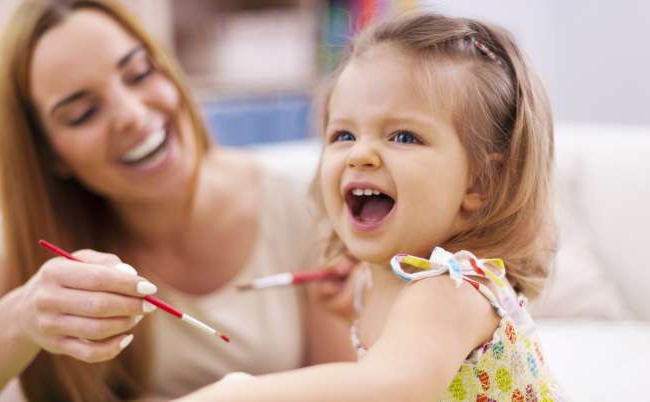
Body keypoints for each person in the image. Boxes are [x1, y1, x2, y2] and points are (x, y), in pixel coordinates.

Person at [0, 1, 356, 401]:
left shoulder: (299, 202)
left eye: (139, 74)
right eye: (83, 113)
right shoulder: (29, 231)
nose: (132, 114)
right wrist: (24, 316)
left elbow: (349, 386)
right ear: (50, 154)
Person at [174, 13, 569, 402]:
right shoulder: (374, 283)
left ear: (482, 181)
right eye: (343, 134)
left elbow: (389, 389)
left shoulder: (450, 290)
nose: (359, 154)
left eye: (402, 136)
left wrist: (243, 393)